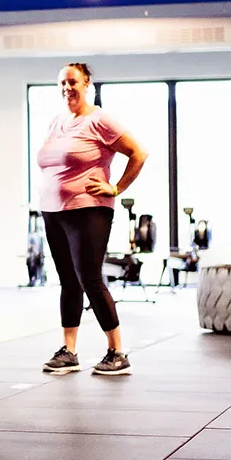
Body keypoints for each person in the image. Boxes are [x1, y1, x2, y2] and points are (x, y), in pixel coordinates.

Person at [36, 62, 147, 376]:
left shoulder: (100, 120)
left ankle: (117, 351)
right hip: (53, 210)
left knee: (89, 278)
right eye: (62, 83)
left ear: (87, 84)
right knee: (68, 281)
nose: (67, 88)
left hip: (88, 209)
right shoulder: (56, 122)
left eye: (72, 82)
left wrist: (116, 187)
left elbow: (138, 153)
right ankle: (69, 351)